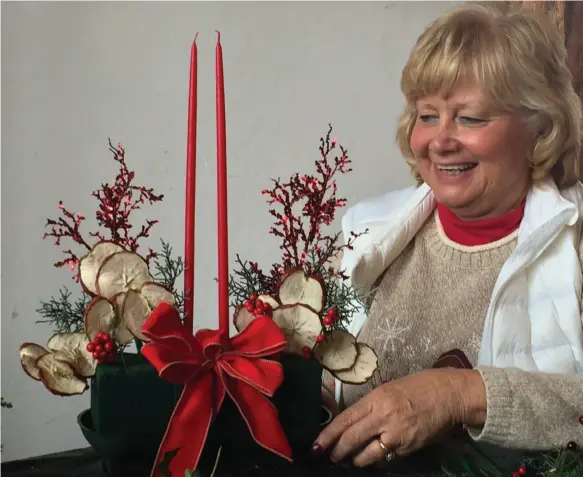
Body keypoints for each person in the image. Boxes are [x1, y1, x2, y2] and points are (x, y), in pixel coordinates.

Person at [313, 1, 583, 468]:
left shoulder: (575, 239)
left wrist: (459, 394)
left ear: (539, 127)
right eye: (428, 115)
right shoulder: (365, 233)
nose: (439, 141)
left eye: (470, 117)